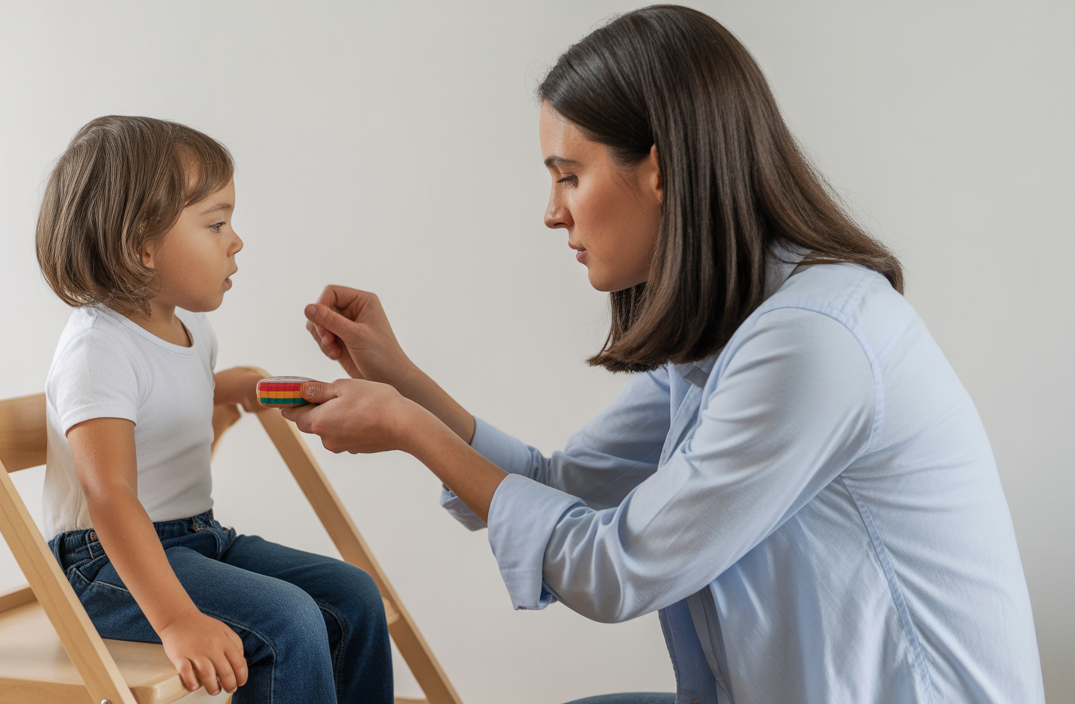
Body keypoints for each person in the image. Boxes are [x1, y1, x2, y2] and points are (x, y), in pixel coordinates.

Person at [282, 6, 1045, 704]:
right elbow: (561, 483)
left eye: (570, 176)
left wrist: (407, 428)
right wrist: (403, 384)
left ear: (661, 168)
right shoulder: (735, 330)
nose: (552, 214)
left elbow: (617, 568)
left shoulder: (812, 345)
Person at [34, 115, 392, 703]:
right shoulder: (97, 347)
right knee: (287, 622)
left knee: (352, 596)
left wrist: (255, 390)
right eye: (216, 222)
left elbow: (177, 393)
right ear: (140, 246)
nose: (236, 239)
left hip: (198, 538)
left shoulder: (190, 329)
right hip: (106, 566)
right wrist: (176, 621)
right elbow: (110, 496)